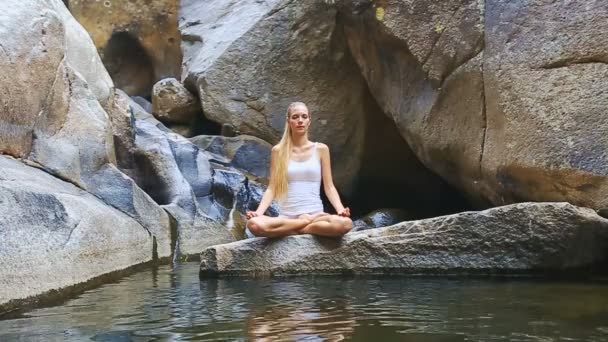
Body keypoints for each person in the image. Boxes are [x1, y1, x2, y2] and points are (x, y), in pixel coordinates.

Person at [246, 102, 353, 238]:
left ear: (309, 121)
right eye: (295, 117)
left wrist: (340, 210)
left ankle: (297, 228)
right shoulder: (278, 151)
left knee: (345, 224)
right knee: (254, 225)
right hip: (287, 217)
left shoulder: (321, 149)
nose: (300, 121)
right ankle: (304, 224)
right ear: (289, 122)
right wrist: (259, 213)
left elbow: (329, 186)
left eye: (304, 117)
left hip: (316, 216)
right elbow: (272, 187)